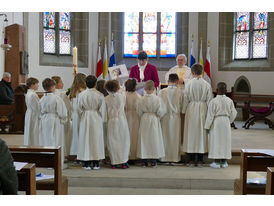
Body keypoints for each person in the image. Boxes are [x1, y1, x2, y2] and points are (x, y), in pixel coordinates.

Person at [182, 64, 213, 167]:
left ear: (192, 72)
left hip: (191, 108)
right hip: (202, 109)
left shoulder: (189, 84)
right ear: (202, 72)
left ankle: (191, 160)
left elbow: (185, 98)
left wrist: (183, 110)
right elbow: (210, 100)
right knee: (201, 133)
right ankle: (200, 160)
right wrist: (210, 113)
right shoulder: (207, 84)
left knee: (191, 133)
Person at [205, 82, 237, 169]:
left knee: (216, 141)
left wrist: (207, 127)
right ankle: (224, 162)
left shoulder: (213, 101)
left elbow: (210, 115)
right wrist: (229, 121)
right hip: (226, 121)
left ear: (216, 90)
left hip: (216, 121)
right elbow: (234, 113)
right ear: (226, 91)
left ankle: (216, 162)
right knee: (225, 141)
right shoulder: (229, 101)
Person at [77, 75, 106, 170]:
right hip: (96, 116)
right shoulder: (100, 95)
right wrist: (103, 120)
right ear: (95, 84)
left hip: (85, 117)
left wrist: (81, 117)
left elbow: (78, 109)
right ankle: (96, 162)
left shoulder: (81, 95)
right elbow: (103, 109)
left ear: (86, 83)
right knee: (96, 139)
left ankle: (86, 163)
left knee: (86, 139)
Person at [136, 80, 166, 167]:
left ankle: (144, 160)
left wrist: (144, 115)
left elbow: (139, 111)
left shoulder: (141, 99)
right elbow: (161, 111)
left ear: (144, 88)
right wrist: (157, 116)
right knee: (154, 139)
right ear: (154, 89)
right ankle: (153, 160)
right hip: (154, 119)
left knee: (144, 139)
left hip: (145, 118)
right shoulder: (157, 99)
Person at [40, 78, 67, 169]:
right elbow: (62, 112)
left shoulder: (42, 99)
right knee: (57, 141)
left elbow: (39, 111)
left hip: (45, 120)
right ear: (52, 87)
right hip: (55, 120)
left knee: (47, 140)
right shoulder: (56, 98)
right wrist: (64, 119)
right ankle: (57, 163)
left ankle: (48, 163)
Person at [105, 80, 130, 169]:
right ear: (117, 87)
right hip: (121, 120)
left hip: (111, 121)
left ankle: (114, 162)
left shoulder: (106, 98)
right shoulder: (121, 96)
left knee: (112, 141)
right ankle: (123, 162)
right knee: (123, 141)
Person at [159, 74, 184, 163]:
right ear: (177, 82)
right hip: (176, 116)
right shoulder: (180, 91)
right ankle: (174, 158)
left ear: (168, 81)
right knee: (175, 137)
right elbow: (183, 107)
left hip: (164, 116)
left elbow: (159, 105)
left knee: (165, 137)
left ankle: (164, 158)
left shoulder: (162, 91)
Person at [52, 76, 73, 157]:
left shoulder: (51, 93)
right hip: (63, 118)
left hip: (52, 118)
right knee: (64, 136)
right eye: (61, 82)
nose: (63, 83)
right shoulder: (61, 94)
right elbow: (68, 107)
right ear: (56, 84)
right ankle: (64, 154)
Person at [69, 73, 86, 157]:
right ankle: (81, 153)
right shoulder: (83, 91)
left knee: (76, 134)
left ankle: (76, 152)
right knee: (82, 133)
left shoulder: (73, 90)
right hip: (81, 114)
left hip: (75, 115)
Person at [124, 78, 141, 162]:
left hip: (126, 116)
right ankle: (133, 156)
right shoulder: (138, 96)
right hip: (135, 117)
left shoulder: (123, 95)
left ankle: (126, 154)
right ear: (134, 86)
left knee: (126, 136)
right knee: (134, 136)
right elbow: (140, 109)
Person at [24, 77, 41, 146]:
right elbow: (37, 108)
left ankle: (29, 144)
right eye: (37, 84)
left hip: (30, 113)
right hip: (34, 114)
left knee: (30, 130)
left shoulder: (29, 93)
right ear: (32, 85)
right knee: (33, 131)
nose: (38, 85)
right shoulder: (33, 94)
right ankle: (33, 145)